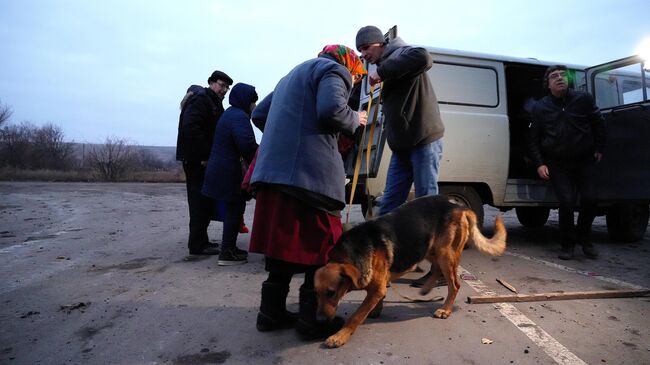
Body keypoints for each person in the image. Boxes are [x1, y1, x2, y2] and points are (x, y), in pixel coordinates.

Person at [248, 45, 367, 339]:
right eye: (356, 76)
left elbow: (260, 114)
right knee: (321, 249)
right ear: (349, 65)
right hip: (309, 178)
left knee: (281, 247)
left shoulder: (290, 77)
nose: (354, 80)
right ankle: (312, 322)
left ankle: (270, 314)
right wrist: (356, 118)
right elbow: (332, 110)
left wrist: (290, 133)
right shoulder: (334, 70)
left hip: (274, 173)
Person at [356, 25, 445, 287]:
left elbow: (424, 57)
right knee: (390, 203)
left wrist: (381, 72)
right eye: (360, 51)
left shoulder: (402, 52)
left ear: (378, 44)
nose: (364, 55)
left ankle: (439, 269)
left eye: (365, 49)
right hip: (402, 147)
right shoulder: (385, 63)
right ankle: (394, 258)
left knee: (428, 202)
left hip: (424, 139)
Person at [528, 65, 606, 260]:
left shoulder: (583, 99)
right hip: (557, 163)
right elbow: (532, 138)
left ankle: (585, 239)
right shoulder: (541, 107)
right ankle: (568, 244)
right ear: (548, 84)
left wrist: (599, 148)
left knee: (590, 199)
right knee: (567, 202)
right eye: (554, 76)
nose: (559, 78)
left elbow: (599, 124)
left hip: (584, 160)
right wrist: (539, 163)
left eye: (563, 75)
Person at [176, 70, 233, 255]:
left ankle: (202, 241)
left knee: (205, 201)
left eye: (227, 87)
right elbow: (191, 128)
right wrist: (204, 156)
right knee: (198, 201)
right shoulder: (201, 100)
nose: (224, 90)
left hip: (203, 159)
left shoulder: (212, 102)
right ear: (211, 83)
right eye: (221, 85)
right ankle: (197, 245)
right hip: (197, 160)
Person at [202, 83, 259, 265]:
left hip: (222, 170)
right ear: (245, 100)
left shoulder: (231, 114)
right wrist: (263, 156)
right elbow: (247, 145)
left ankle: (229, 248)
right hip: (227, 172)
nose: (254, 106)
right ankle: (226, 253)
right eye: (253, 102)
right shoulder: (238, 117)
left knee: (234, 209)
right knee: (234, 209)